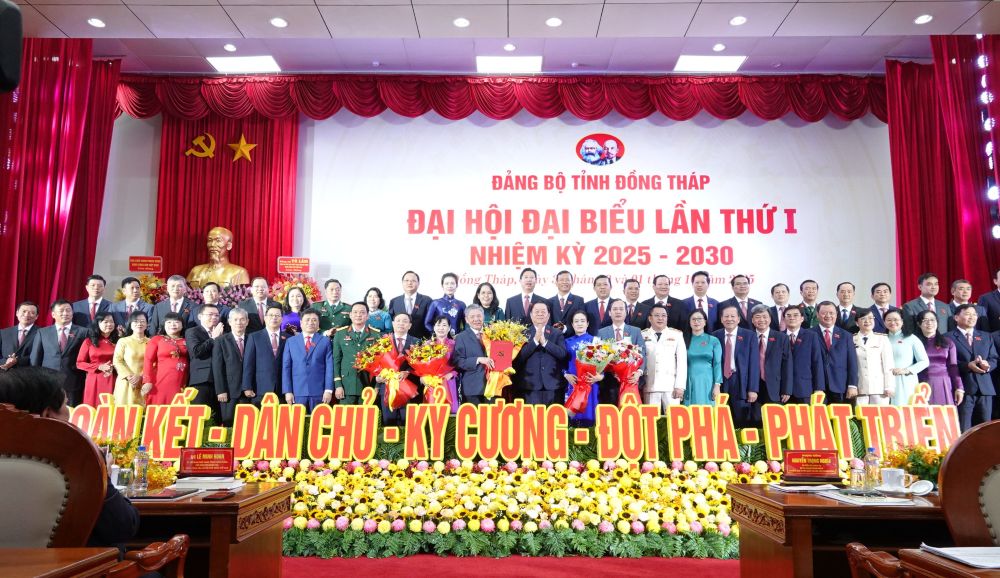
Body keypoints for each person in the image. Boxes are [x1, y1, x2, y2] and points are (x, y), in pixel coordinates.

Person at [0, 367, 140, 551]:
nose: (69, 412)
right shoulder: (80, 461)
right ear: (47, 415)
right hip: (73, 566)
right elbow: (123, 526)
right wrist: (102, 475)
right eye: (66, 405)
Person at [30, 300, 87, 405]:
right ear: (53, 314)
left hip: (73, 381)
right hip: (48, 381)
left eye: (68, 310)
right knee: (47, 410)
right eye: (61, 311)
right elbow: (35, 358)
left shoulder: (83, 332)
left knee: (71, 412)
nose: (65, 313)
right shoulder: (43, 332)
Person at [713, 304, 760, 427]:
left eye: (733, 316)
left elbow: (754, 364)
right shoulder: (714, 336)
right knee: (720, 416)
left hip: (740, 380)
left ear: (738, 319)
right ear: (721, 319)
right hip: (721, 380)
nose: (729, 319)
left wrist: (753, 389)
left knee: (741, 417)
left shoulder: (749, 336)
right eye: (726, 316)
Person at [950, 304, 996, 430]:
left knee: (986, 429)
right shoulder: (948, 337)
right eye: (967, 314)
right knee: (964, 428)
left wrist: (987, 365)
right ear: (956, 317)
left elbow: (994, 358)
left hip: (985, 390)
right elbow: (948, 363)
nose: (972, 317)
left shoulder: (986, 336)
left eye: (974, 314)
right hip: (964, 389)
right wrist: (967, 365)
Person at [515, 302, 568, 405]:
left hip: (553, 385)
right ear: (531, 315)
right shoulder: (523, 333)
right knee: (532, 416)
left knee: (554, 416)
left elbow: (562, 355)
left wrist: (545, 343)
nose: (540, 314)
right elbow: (518, 358)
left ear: (548, 315)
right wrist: (535, 341)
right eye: (537, 311)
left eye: (543, 312)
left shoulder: (556, 333)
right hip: (529, 386)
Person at [282, 309, 333, 411]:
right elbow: (286, 367)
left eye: (314, 320)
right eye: (307, 320)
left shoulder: (325, 341)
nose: (311, 322)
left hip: (319, 392)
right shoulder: (291, 342)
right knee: (298, 420)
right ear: (301, 323)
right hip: (297, 392)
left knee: (318, 420)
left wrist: (328, 390)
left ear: (318, 323)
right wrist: (288, 391)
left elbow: (329, 367)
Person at [596, 300, 646, 405]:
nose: (618, 312)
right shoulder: (602, 332)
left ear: (626, 312)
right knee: (610, 411)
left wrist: (638, 372)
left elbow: (643, 354)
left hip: (631, 379)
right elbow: (598, 356)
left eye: (621, 309)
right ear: (609, 313)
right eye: (615, 309)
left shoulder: (636, 331)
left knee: (628, 411)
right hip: (609, 380)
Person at [332, 302, 381, 405]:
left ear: (367, 316)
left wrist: (377, 386)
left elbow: (380, 362)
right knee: (345, 415)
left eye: (362, 312)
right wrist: (338, 385)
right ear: (350, 315)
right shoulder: (340, 334)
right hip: (346, 385)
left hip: (368, 385)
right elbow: (336, 360)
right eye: (355, 312)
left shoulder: (376, 334)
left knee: (366, 414)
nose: (358, 315)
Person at [641, 304, 687, 412]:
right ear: (650, 318)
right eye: (657, 315)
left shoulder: (676, 335)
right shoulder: (642, 335)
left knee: (674, 418)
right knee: (650, 419)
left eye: (663, 315)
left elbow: (682, 362)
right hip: (649, 385)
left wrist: (680, 386)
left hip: (671, 386)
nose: (660, 318)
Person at [915, 310, 963, 406]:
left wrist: (959, 387)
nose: (929, 323)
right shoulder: (914, 342)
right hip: (920, 383)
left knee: (943, 413)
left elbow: (953, 367)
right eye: (925, 320)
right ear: (919, 324)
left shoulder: (947, 342)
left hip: (943, 382)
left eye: (932, 320)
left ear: (937, 322)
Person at [750, 305, 792, 414]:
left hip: (775, 387)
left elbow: (787, 365)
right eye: (757, 317)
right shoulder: (748, 337)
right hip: (752, 387)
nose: (761, 320)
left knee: (774, 419)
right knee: (754, 419)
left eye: (765, 316)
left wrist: (786, 389)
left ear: (770, 318)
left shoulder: (781, 338)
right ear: (752, 320)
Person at [814, 301, 859, 403]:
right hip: (816, 386)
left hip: (840, 385)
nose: (828, 316)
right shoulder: (809, 334)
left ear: (836, 314)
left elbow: (852, 362)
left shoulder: (846, 335)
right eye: (824, 313)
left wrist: (852, 385)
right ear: (817, 315)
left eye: (831, 313)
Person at [142, 312, 189, 405]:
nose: (173, 324)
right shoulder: (157, 339)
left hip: (182, 380)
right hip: (161, 380)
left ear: (182, 325)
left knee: (178, 408)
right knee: (159, 407)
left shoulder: (187, 340)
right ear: (164, 325)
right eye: (169, 322)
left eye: (176, 322)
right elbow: (148, 360)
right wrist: (147, 381)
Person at [883, 309, 929, 406]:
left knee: (904, 410)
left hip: (905, 380)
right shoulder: (881, 339)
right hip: (884, 381)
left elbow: (924, 361)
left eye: (896, 319)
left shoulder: (911, 338)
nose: (892, 322)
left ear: (902, 321)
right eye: (889, 320)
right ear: (884, 322)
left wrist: (906, 370)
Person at [242, 305, 286, 406]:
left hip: (282, 389)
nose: (274, 318)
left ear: (282, 319)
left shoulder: (288, 338)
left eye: (277, 315)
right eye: (271, 315)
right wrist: (247, 386)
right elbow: (248, 363)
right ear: (265, 318)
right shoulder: (254, 337)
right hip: (260, 388)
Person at [563, 310, 600, 425]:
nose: (579, 323)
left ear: (587, 323)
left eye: (582, 321)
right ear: (572, 324)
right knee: (571, 415)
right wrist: (566, 374)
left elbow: (603, 365)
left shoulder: (595, 341)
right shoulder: (566, 342)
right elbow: (561, 362)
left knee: (590, 414)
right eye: (576, 321)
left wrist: (599, 377)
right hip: (573, 383)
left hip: (590, 383)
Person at [185, 303, 224, 414]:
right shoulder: (192, 331)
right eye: (210, 314)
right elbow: (196, 352)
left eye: (216, 315)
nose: (214, 317)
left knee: (218, 417)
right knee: (199, 415)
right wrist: (213, 338)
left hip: (220, 382)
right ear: (200, 316)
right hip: (201, 380)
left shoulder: (223, 333)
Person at [213, 308, 249, 426]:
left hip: (249, 391)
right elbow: (217, 367)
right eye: (235, 319)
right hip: (228, 391)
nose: (239, 322)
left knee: (247, 425)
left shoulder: (253, 339)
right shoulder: (220, 340)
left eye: (242, 319)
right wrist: (221, 390)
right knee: (229, 423)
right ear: (229, 322)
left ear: (247, 322)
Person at [783, 306, 825, 403]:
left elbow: (817, 362)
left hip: (804, 388)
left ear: (802, 318)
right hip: (783, 390)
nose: (792, 318)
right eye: (788, 315)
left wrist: (819, 388)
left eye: (795, 315)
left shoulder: (811, 336)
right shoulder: (779, 336)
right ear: (784, 319)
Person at [853, 308, 895, 405]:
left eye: (870, 318)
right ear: (857, 323)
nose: (867, 321)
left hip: (879, 388)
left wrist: (889, 386)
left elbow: (888, 365)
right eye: (863, 318)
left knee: (880, 414)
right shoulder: (851, 339)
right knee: (860, 413)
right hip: (860, 387)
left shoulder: (882, 339)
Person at [186, 225, 251, 289]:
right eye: (210, 240)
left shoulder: (239, 273)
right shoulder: (195, 271)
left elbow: (243, 294)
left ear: (229, 245)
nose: (212, 245)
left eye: (218, 240)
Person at [453, 304, 492, 405]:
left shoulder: (494, 333)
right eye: (472, 317)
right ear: (466, 319)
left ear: (483, 317)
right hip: (472, 388)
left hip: (493, 386)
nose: (476, 319)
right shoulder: (461, 337)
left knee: (492, 415)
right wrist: (478, 359)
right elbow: (458, 361)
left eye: (479, 316)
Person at [383, 312, 419, 423]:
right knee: (388, 422)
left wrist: (408, 372)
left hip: (409, 388)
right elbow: (378, 363)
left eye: (405, 321)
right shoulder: (383, 341)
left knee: (408, 422)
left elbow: (420, 364)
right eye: (398, 321)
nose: (401, 323)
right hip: (387, 387)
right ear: (393, 324)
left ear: (410, 325)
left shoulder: (416, 342)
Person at [76, 313, 118, 406]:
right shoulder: (89, 341)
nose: (109, 324)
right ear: (97, 324)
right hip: (95, 378)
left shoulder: (119, 341)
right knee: (93, 406)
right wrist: (99, 366)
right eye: (105, 322)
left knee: (111, 407)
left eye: (111, 322)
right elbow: (79, 363)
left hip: (114, 378)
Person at [683, 309, 722, 406]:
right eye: (693, 319)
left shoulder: (713, 340)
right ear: (689, 322)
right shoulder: (682, 340)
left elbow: (717, 364)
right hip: (687, 379)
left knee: (706, 410)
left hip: (707, 380)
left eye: (699, 319)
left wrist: (717, 385)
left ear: (705, 322)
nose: (696, 322)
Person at [112, 311, 149, 406]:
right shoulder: (123, 341)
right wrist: (129, 377)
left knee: (143, 411)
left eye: (142, 321)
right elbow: (117, 361)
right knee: (124, 410)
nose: (139, 324)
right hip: (126, 381)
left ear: (147, 324)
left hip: (144, 382)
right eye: (136, 321)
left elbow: (153, 363)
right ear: (130, 324)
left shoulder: (151, 342)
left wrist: (140, 376)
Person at [426, 315, 459, 412]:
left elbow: (459, 363)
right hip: (432, 382)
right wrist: (424, 378)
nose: (441, 328)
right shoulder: (427, 345)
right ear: (434, 327)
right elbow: (421, 364)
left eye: (444, 325)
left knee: (450, 410)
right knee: (433, 411)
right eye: (438, 325)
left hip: (449, 380)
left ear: (449, 328)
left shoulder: (454, 344)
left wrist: (452, 374)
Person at [388, 271, 433, 340]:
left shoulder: (427, 300)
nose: (409, 283)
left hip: (422, 341)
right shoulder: (394, 301)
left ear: (418, 283)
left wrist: (430, 340)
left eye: (413, 281)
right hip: (400, 342)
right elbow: (390, 323)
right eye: (407, 280)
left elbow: (431, 322)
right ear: (402, 283)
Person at [1, 301, 39, 370]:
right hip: (5, 373)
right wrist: (6, 362)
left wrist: (17, 361)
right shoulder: (3, 332)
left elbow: (41, 355)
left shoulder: (42, 333)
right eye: (24, 311)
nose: (27, 314)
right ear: (17, 313)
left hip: (30, 373)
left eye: (32, 312)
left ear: (36, 316)